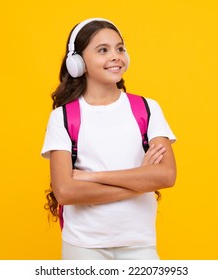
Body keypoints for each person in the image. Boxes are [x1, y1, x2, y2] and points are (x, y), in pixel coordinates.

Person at [41, 18, 177, 260]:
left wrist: (92, 178)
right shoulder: (62, 117)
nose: (115, 56)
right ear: (78, 62)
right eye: (103, 50)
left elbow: (166, 176)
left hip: (139, 243)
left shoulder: (147, 108)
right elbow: (65, 192)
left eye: (120, 48)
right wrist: (141, 180)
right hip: (84, 246)